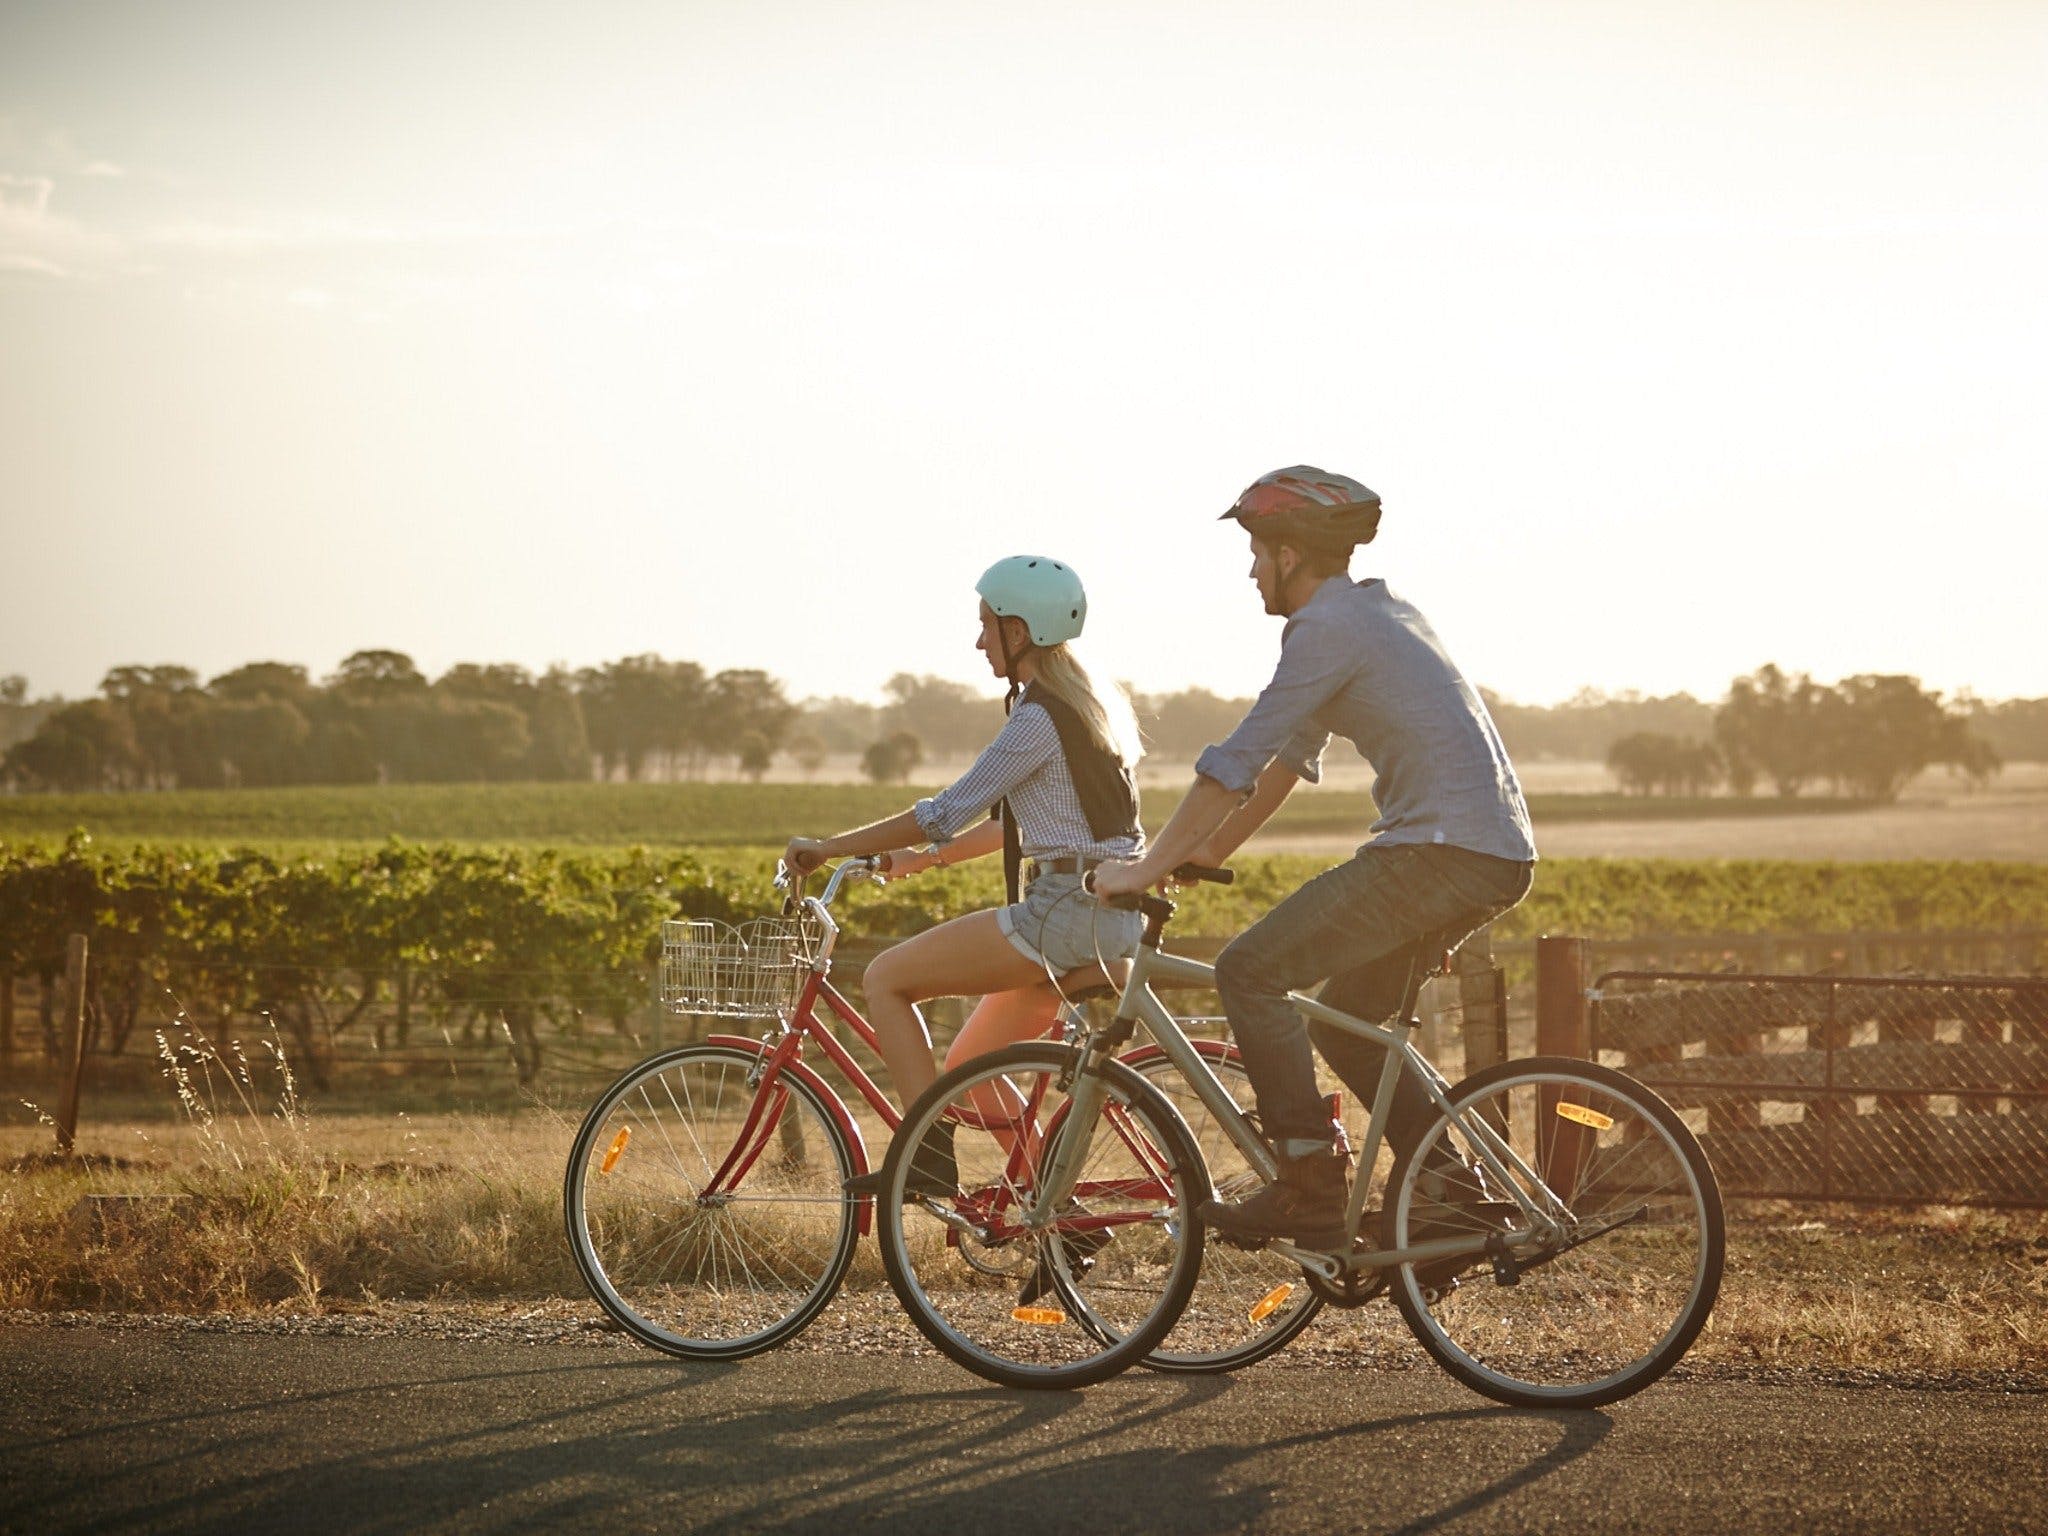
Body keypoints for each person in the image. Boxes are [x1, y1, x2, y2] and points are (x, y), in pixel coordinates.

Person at [1092, 467, 1537, 1251]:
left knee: (1249, 972)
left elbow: (1236, 758)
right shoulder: (1376, 614)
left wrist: (1143, 867)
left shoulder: (1326, 628)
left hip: (1439, 853)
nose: (1251, 571)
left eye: (1257, 553)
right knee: (1349, 1024)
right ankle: (1448, 1199)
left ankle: (1306, 1186)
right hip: (1490, 855)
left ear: (1290, 554)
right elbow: (1287, 761)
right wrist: (1204, 851)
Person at [783, 555, 1148, 1198]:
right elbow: (1016, 826)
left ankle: (921, 1154)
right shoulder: (1083, 710)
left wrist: (828, 847)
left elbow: (943, 814)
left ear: (1019, 631)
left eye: (987, 625)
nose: (978, 640)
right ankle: (1051, 1211)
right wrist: (912, 863)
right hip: (1107, 919)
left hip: (1062, 916)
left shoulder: (1037, 718)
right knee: (970, 1073)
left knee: (885, 978)